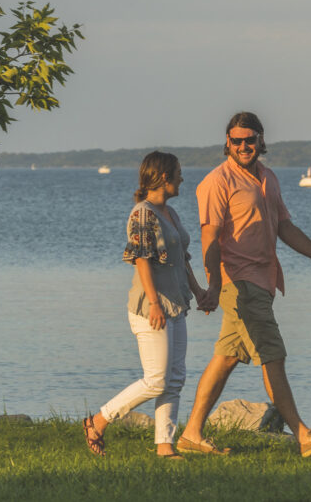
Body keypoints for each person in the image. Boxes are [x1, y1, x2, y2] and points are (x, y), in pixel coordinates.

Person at [176, 112, 311, 458]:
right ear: (227, 143)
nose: (242, 146)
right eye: (235, 140)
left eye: (249, 140)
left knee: (226, 357)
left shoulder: (268, 179)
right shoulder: (216, 182)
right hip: (240, 283)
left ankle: (191, 433)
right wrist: (213, 285)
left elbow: (284, 227)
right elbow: (210, 237)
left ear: (260, 140)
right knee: (273, 355)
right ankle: (303, 435)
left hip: (263, 281)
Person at [82, 151, 214, 459]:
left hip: (176, 304)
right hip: (150, 307)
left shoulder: (170, 213)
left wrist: (198, 291)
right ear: (165, 177)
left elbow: (182, 258)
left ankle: (165, 447)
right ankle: (98, 420)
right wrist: (154, 303)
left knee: (175, 378)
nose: (182, 178)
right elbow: (141, 259)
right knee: (156, 380)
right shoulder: (143, 213)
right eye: (179, 173)